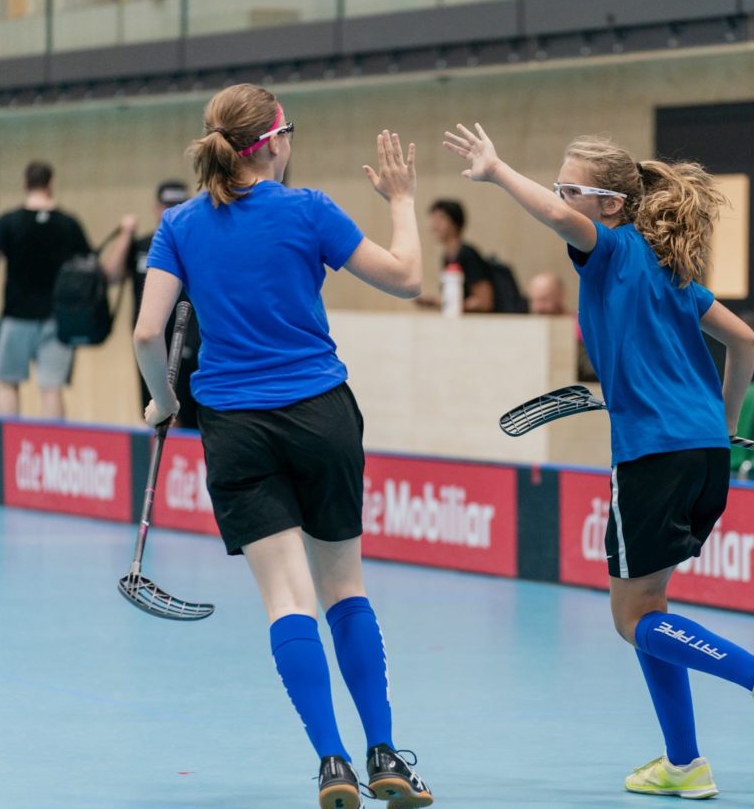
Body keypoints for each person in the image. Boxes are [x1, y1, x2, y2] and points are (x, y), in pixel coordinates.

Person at [444, 123, 754, 799]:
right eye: (557, 185)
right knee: (652, 606)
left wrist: (496, 170)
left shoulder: (607, 251)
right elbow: (746, 343)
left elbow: (555, 219)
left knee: (632, 618)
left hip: (650, 457)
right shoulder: (672, 272)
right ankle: (684, 762)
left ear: (609, 204)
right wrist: (723, 427)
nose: (559, 198)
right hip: (702, 457)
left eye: (571, 189)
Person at [134, 84, 433, 809]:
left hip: (236, 428)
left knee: (285, 598)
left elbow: (148, 333)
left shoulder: (179, 224)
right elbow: (408, 277)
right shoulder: (310, 211)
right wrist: (400, 198)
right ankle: (386, 752)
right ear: (271, 142)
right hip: (322, 417)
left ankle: (331, 763)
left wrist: (165, 398)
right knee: (344, 588)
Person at [0, 161, 92, 419]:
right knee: (52, 389)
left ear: (24, 183)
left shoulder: (9, 222)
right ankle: (52, 450)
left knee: (7, 382)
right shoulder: (68, 224)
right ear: (51, 184)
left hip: (16, 316)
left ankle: (4, 449)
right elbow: (91, 268)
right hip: (57, 320)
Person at [101, 181, 200, 428]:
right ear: (156, 208)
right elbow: (111, 275)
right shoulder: (144, 245)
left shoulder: (196, 245)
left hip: (188, 339)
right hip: (153, 343)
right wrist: (125, 234)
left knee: (186, 412)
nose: (171, 212)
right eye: (167, 206)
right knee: (157, 412)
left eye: (177, 206)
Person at [417, 198, 494, 312]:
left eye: (441, 218)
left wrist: (437, 302)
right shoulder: (447, 257)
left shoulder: (468, 254)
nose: (434, 225)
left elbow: (483, 302)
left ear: (454, 223)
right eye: (434, 219)